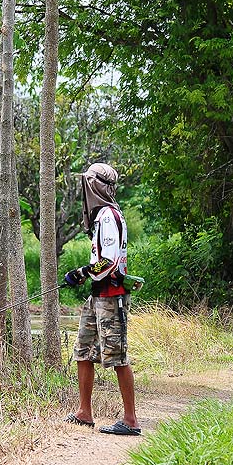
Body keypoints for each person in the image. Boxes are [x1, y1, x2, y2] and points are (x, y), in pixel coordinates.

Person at [62, 162, 140, 436]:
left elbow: (108, 262)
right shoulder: (99, 217)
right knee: (83, 350)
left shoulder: (109, 216)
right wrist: (84, 276)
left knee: (117, 355)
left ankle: (130, 420)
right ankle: (84, 412)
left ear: (95, 185)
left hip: (112, 296)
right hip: (97, 296)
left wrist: (82, 271)